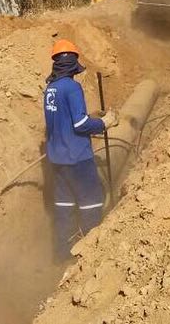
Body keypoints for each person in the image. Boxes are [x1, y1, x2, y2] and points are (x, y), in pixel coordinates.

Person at [43, 38, 117, 263]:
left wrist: (92, 115)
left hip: (57, 159)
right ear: (73, 62)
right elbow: (80, 124)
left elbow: (62, 119)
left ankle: (61, 255)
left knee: (64, 206)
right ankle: (89, 258)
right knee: (91, 203)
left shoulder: (51, 89)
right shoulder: (73, 87)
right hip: (78, 159)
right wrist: (104, 123)